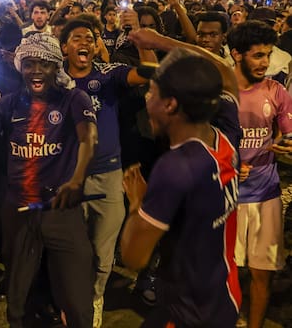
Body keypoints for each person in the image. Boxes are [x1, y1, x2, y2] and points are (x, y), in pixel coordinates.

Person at [0, 32, 97, 327]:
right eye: (29, 64)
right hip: (18, 210)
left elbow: (89, 138)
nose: (36, 71)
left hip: (60, 210)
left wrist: (76, 181)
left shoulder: (74, 98)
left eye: (44, 64)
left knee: (76, 299)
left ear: (56, 68)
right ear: (20, 67)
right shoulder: (7, 105)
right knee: (18, 298)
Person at [120, 49, 241, 327]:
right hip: (225, 294)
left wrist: (137, 203)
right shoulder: (226, 137)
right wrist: (160, 42)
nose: (147, 102)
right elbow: (227, 76)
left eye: (152, 93)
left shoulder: (176, 168)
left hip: (189, 311)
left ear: (171, 105)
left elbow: (133, 257)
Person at [60, 16, 156, 327]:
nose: (85, 42)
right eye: (76, 38)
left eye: (90, 37)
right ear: (63, 48)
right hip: (65, 179)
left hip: (108, 176)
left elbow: (150, 73)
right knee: (70, 250)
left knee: (102, 252)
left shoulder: (110, 74)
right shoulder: (52, 80)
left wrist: (142, 41)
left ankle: (95, 298)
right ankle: (70, 301)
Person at [227, 20, 292, 328]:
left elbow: (289, 136)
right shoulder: (221, 94)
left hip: (267, 195)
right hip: (227, 198)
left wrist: (284, 144)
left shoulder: (276, 91)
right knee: (226, 273)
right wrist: (229, 164)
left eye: (268, 55)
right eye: (257, 55)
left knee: (261, 274)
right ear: (237, 54)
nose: (265, 63)